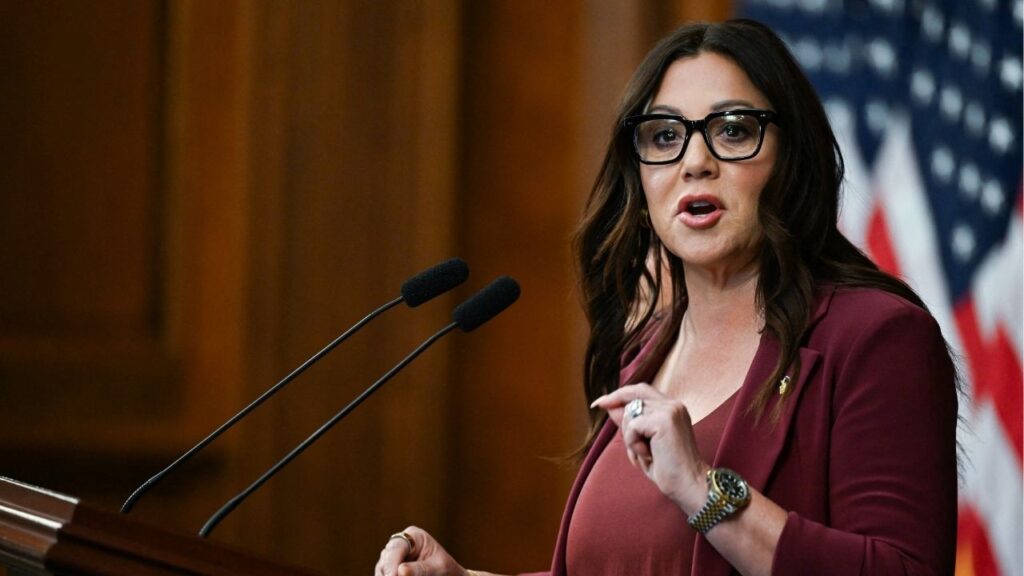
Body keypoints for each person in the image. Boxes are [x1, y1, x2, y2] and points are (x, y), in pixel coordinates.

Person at [375, 18, 959, 576]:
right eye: (664, 136)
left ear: (791, 154)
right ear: (642, 176)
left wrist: (704, 491)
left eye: (733, 129)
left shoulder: (876, 337)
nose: (695, 162)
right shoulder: (647, 349)